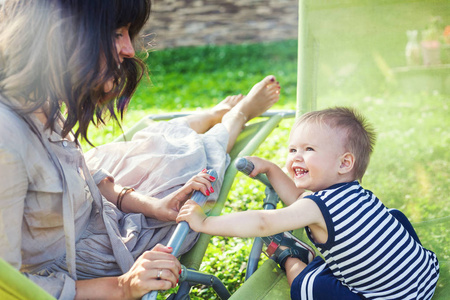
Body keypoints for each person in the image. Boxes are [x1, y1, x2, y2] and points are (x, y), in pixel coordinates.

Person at [0, 0, 280, 299]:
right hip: (93, 267)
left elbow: (79, 177)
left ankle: (211, 117)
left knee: (153, 145)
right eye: (116, 33)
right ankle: (234, 117)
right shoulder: (7, 141)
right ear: (61, 34)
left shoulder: (36, 99)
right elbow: (12, 286)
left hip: (101, 210)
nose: (130, 50)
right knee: (191, 164)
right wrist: (122, 286)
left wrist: (153, 206)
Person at [177, 107, 440, 300]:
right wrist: (271, 168)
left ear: (344, 163)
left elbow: (263, 222)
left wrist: (204, 221)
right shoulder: (353, 193)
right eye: (292, 150)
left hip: (390, 297)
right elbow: (299, 202)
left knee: (306, 287)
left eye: (308, 150)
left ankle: (293, 257)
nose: (296, 157)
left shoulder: (317, 207)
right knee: (394, 216)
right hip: (426, 274)